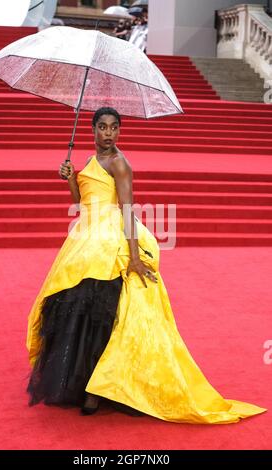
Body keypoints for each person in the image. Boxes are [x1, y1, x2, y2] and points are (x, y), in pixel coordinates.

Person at [26, 107, 267, 422]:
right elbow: (80, 202)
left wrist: (135, 257)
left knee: (106, 312)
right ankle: (85, 381)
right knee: (77, 308)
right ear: (93, 129)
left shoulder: (120, 164)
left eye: (114, 127)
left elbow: (127, 210)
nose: (108, 133)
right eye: (102, 127)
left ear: (119, 131)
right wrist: (70, 178)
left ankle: (96, 392)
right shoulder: (87, 161)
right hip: (85, 239)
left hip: (112, 241)